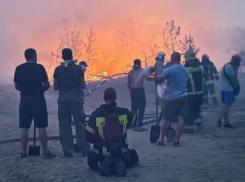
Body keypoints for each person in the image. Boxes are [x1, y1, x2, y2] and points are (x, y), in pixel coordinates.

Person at [85, 88, 139, 177]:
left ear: (104, 98)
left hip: (101, 155)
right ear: (115, 97)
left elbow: (88, 137)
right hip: (121, 153)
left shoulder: (96, 114)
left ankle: (106, 163)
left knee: (91, 160)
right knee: (133, 156)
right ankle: (118, 161)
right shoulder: (123, 112)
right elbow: (134, 120)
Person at [14, 48, 55, 158]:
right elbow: (46, 84)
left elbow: (17, 86)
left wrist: (25, 91)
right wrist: (40, 90)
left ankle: (24, 152)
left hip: (25, 100)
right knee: (41, 126)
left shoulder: (19, 68)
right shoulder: (40, 68)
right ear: (35, 56)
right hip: (39, 100)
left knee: (24, 127)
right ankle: (45, 151)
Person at [53, 48, 90, 158]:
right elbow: (83, 85)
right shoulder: (78, 69)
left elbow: (55, 87)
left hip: (63, 97)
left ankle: (68, 151)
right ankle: (85, 150)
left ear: (62, 57)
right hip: (75, 97)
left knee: (65, 125)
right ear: (72, 55)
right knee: (80, 124)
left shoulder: (58, 69)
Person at [155, 52, 189, 147]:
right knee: (180, 119)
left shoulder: (169, 70)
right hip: (183, 96)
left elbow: (159, 80)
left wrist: (152, 76)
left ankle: (161, 140)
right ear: (180, 58)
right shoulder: (186, 70)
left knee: (165, 118)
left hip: (172, 97)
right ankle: (177, 140)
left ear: (171, 59)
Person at [127, 59, 153, 132]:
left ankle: (133, 124)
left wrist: (131, 91)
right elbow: (147, 78)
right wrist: (154, 77)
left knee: (134, 108)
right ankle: (139, 125)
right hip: (140, 90)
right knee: (141, 108)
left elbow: (128, 84)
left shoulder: (130, 72)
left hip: (133, 90)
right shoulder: (141, 70)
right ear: (140, 64)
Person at [217, 55, 241, 128]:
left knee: (225, 105)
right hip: (228, 89)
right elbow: (233, 78)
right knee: (228, 105)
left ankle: (220, 119)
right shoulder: (229, 67)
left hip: (225, 88)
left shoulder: (227, 66)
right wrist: (236, 70)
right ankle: (226, 122)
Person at [184, 51, 204, 133]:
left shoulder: (186, 67)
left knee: (189, 111)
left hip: (190, 93)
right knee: (197, 108)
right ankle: (198, 121)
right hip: (200, 92)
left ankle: (189, 129)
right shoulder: (200, 66)